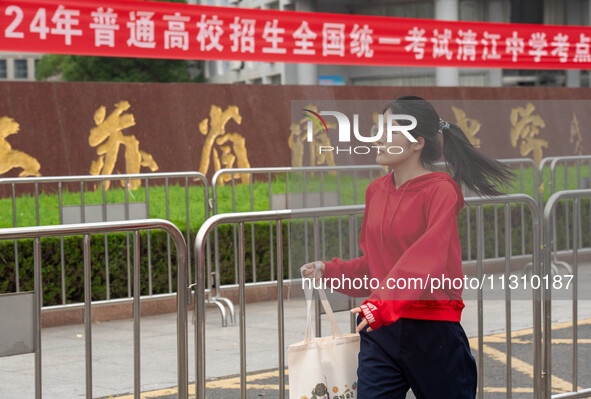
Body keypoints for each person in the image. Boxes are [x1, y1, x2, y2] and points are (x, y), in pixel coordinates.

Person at [301, 96, 513, 399]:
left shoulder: (440, 190)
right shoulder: (375, 190)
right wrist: (330, 270)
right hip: (381, 330)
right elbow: (375, 265)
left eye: (390, 131)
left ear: (417, 143)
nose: (378, 138)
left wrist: (381, 304)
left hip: (432, 328)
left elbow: (428, 257)